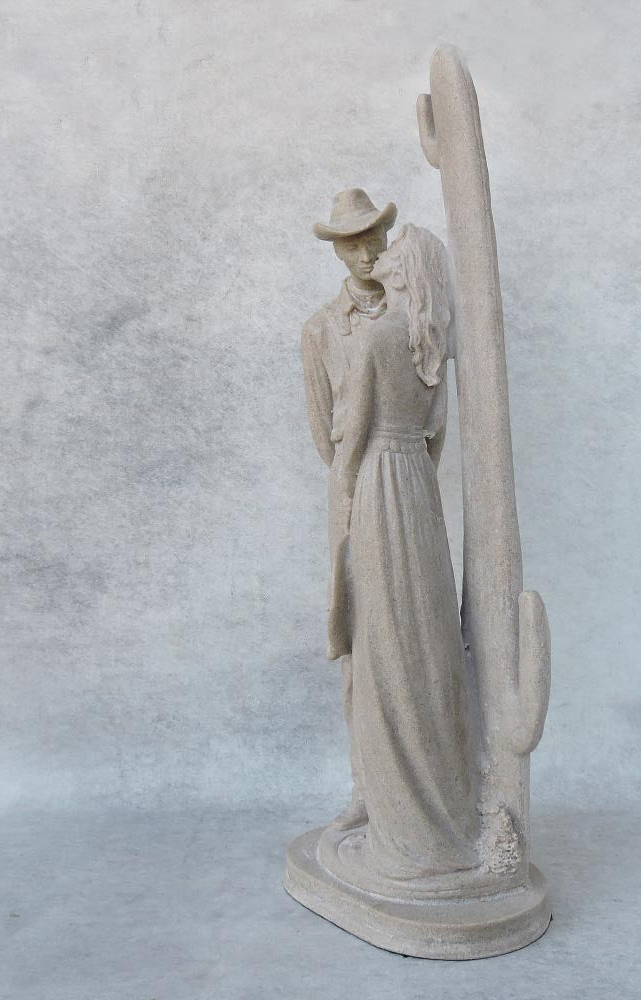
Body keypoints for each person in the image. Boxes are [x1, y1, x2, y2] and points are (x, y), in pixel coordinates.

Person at [330, 223, 478, 880]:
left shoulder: (376, 338)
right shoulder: (430, 344)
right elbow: (436, 434)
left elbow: (353, 436)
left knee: (386, 641)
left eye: (393, 250)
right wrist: (413, 474)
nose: (381, 255)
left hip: (378, 485)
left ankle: (401, 834)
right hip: (418, 487)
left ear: (403, 270)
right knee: (425, 637)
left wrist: (347, 503)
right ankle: (441, 810)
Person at [301, 188, 397, 831]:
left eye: (374, 238)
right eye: (353, 243)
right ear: (337, 251)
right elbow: (322, 430)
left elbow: (435, 413)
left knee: (410, 633)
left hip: (404, 488)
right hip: (358, 493)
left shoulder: (414, 313)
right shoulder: (320, 331)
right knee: (362, 638)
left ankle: (418, 787)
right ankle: (367, 787)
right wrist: (360, 485)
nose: (366, 253)